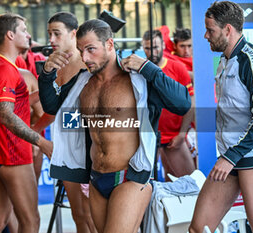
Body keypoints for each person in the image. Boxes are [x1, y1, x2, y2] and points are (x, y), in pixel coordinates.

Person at [39, 19, 191, 233]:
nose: (85, 58)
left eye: (91, 49)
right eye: (81, 51)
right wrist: (46, 74)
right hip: (96, 178)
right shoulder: (83, 82)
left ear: (109, 44)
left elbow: (182, 104)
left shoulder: (136, 79)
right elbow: (53, 106)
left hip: (130, 177)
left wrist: (148, 68)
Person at [189, 1, 253, 232]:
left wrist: (231, 156)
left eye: (210, 30)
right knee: (198, 228)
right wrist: (229, 156)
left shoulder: (252, 60)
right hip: (229, 157)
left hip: (252, 157)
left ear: (227, 30)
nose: (205, 35)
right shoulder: (224, 59)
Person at [0, 13, 52, 233]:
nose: (29, 34)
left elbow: (15, 104)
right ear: (10, 34)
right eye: (23, 29)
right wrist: (41, 142)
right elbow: (6, 114)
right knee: (31, 222)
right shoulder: (3, 69)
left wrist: (47, 91)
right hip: (11, 155)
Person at [39, 11, 98, 233]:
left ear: (73, 34)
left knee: (93, 215)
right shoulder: (54, 64)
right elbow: (53, 108)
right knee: (79, 214)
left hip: (89, 150)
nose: (51, 40)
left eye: (57, 34)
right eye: (49, 34)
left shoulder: (86, 65)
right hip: (66, 148)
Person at [142, 30, 195, 180]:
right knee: (148, 185)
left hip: (173, 137)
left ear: (163, 45)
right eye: (147, 48)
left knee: (190, 182)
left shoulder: (177, 68)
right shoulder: (139, 70)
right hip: (149, 137)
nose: (152, 52)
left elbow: (191, 102)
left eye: (156, 47)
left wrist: (182, 133)